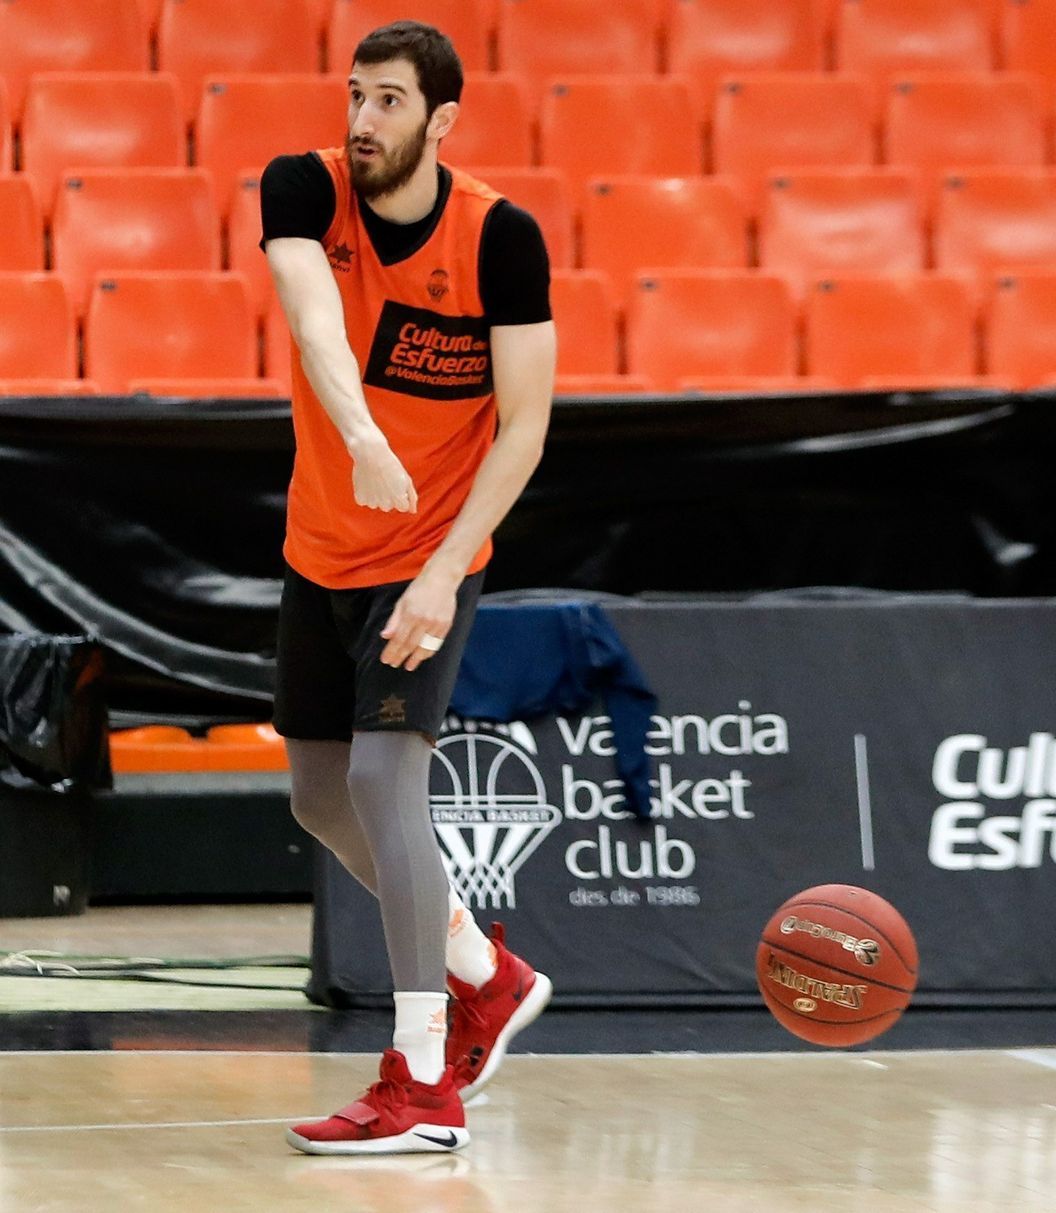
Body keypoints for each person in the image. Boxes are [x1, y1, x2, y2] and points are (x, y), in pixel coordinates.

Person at [260, 20, 556, 1155]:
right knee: (319, 800)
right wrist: (359, 434)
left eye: (388, 102)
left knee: (387, 781)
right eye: (354, 95)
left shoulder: (499, 238)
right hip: (320, 545)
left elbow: (524, 427)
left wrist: (443, 572)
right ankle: (488, 972)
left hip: (431, 554)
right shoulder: (304, 188)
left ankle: (422, 1079)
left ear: (440, 120)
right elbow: (310, 311)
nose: (361, 121)